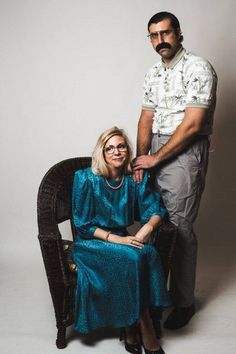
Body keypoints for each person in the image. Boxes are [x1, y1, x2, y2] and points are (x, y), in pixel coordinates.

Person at [133, 11, 217, 330]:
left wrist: (157, 159)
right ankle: (156, 295)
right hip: (155, 145)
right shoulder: (153, 72)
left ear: (179, 33)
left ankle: (183, 302)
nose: (160, 41)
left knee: (179, 227)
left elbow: (194, 123)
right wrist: (142, 159)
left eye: (165, 33)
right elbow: (145, 118)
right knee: (153, 221)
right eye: (153, 36)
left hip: (186, 147)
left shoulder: (198, 67)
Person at [72, 126, 171, 354]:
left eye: (121, 146)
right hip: (91, 244)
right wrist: (119, 240)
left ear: (127, 150)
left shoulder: (134, 179)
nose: (116, 152)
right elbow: (82, 225)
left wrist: (145, 229)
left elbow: (155, 209)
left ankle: (129, 326)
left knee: (147, 252)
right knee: (131, 257)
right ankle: (143, 323)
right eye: (109, 148)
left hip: (122, 238)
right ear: (102, 153)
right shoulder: (85, 179)